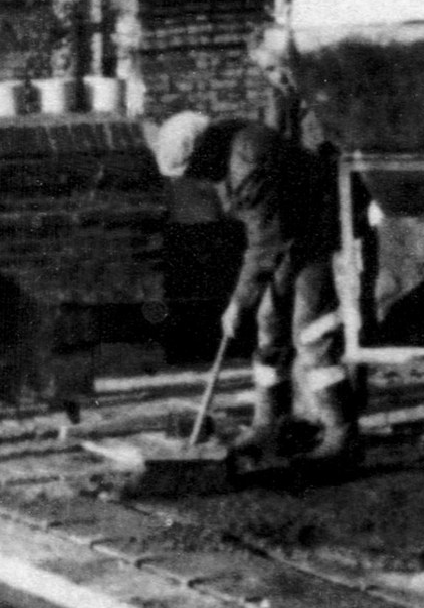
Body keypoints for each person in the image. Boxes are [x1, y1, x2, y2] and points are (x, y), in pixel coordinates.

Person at [154, 111, 362, 472]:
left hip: (317, 236)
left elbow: (265, 243)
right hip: (287, 236)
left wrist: (237, 303)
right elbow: (265, 236)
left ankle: (342, 435)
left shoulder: (248, 161)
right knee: (269, 324)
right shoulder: (226, 150)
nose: (195, 180)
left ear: (202, 153)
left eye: (191, 172)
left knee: (311, 333)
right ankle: (269, 426)